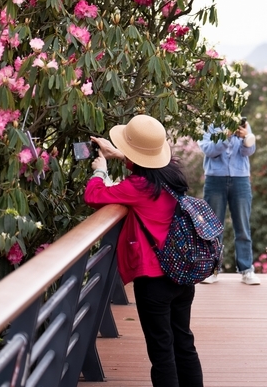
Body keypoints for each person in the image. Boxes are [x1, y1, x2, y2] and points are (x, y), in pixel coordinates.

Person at [85, 115, 204, 387]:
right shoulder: (172, 174)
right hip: (182, 274)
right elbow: (149, 166)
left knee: (162, 352)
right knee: (184, 342)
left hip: (154, 280)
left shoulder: (137, 187)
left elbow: (93, 196)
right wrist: (121, 155)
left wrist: (100, 169)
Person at [197, 119, 260, 285]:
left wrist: (247, 136)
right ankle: (212, 270)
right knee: (213, 227)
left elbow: (249, 151)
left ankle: (247, 270)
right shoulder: (208, 124)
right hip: (215, 179)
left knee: (243, 226)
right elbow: (208, 150)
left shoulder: (243, 123)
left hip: (241, 179)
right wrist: (226, 136)